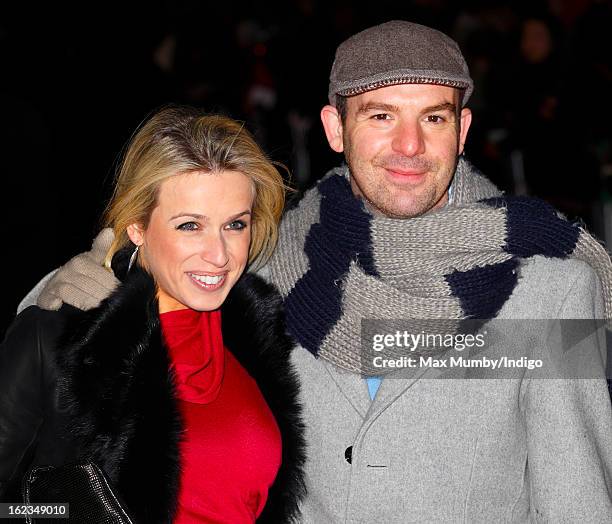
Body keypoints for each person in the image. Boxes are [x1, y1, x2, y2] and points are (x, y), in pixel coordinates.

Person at [14, 20, 612, 522]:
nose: (409, 146)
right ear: (334, 128)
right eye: (380, 116)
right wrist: (104, 269)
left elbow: (579, 499)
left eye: (432, 118)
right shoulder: (273, 263)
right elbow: (162, 261)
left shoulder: (548, 288)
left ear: (462, 131)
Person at [0, 106, 305, 523]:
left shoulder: (258, 342)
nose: (219, 255)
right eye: (189, 226)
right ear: (137, 228)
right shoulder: (53, 340)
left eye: (235, 225)